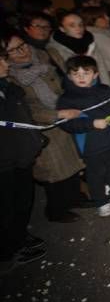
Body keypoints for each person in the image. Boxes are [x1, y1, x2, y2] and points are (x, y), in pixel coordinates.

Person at [3, 31, 85, 223]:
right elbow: (26, 107)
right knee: (54, 170)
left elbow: (66, 77)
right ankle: (56, 209)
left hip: (66, 111)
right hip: (44, 123)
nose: (22, 51)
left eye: (22, 45)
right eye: (13, 51)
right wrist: (56, 115)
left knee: (74, 162)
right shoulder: (10, 76)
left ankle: (76, 198)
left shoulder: (45, 55)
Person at [56, 56, 110, 217]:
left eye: (85, 73)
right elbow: (67, 124)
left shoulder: (105, 90)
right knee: (96, 175)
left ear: (95, 74)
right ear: (69, 76)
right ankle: (101, 201)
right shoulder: (67, 99)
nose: (81, 77)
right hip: (91, 145)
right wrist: (91, 124)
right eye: (76, 73)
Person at [0, 46, 47, 270]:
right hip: (4, 163)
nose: (6, 64)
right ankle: (10, 250)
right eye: (0, 61)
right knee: (6, 207)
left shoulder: (8, 87)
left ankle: (19, 236)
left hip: (21, 155)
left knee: (22, 201)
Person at [47, 11, 110, 86]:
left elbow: (101, 67)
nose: (78, 28)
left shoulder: (88, 40)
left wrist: (108, 87)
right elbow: (66, 76)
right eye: (72, 25)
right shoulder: (55, 49)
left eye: (81, 25)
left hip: (97, 83)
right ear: (62, 29)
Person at [80, 7, 110, 90]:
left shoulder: (103, 31)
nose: (108, 18)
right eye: (103, 17)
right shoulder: (97, 35)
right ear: (93, 20)